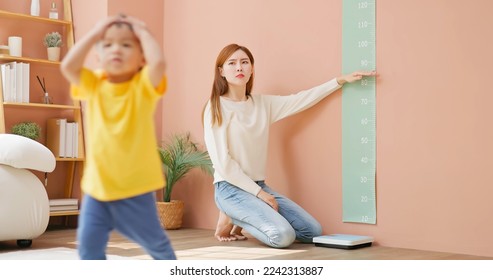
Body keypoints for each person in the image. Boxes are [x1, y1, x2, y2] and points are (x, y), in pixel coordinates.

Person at [203, 43, 376, 248]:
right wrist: (261, 196)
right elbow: (223, 164)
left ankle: (240, 214)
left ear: (252, 68)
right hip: (229, 189)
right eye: (232, 63)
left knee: (312, 231)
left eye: (244, 62)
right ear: (221, 71)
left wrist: (339, 81)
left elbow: (301, 100)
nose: (239, 67)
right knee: (282, 236)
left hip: (257, 185)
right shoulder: (216, 107)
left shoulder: (262, 104)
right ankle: (231, 214)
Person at [60, 14, 176, 260]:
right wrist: (94, 33)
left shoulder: (142, 87)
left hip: (135, 189)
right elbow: (68, 66)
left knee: (157, 246)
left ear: (141, 57)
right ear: (98, 56)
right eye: (108, 43)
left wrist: (142, 30)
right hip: (97, 188)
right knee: (89, 249)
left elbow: (159, 65)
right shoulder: (94, 84)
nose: (116, 49)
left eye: (126, 44)